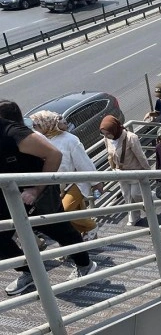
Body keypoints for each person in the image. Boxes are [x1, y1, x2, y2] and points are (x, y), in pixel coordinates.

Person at [0, 100, 97, 296]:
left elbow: (54, 154)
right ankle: (31, 272)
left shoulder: (15, 133)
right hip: (11, 196)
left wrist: (36, 189)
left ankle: (85, 265)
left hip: (37, 193)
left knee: (59, 230)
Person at [29, 111, 101, 241]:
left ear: (47, 125)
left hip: (76, 181)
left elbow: (83, 162)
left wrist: (96, 182)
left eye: (37, 125)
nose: (34, 129)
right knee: (74, 213)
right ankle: (80, 240)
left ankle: (91, 227)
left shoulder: (70, 140)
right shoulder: (41, 140)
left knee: (65, 211)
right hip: (58, 185)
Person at [100, 115, 151, 226]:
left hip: (135, 172)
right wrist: (114, 168)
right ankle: (133, 217)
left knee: (136, 194)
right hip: (121, 173)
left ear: (114, 129)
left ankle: (150, 206)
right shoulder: (107, 139)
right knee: (127, 196)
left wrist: (148, 171)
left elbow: (140, 156)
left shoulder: (130, 137)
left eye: (108, 133)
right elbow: (110, 155)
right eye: (104, 134)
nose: (106, 136)